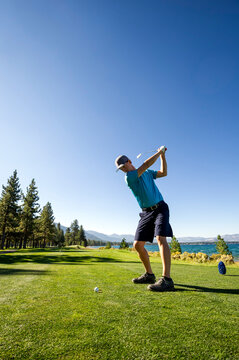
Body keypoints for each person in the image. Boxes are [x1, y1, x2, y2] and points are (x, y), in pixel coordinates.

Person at [115, 146, 174, 292]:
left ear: (129, 161)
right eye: (120, 168)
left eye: (123, 166)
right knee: (137, 245)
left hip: (160, 208)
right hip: (146, 213)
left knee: (161, 238)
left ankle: (167, 279)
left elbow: (163, 173)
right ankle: (149, 274)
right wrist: (159, 152)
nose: (123, 169)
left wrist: (162, 156)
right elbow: (146, 164)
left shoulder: (147, 173)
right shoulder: (129, 177)